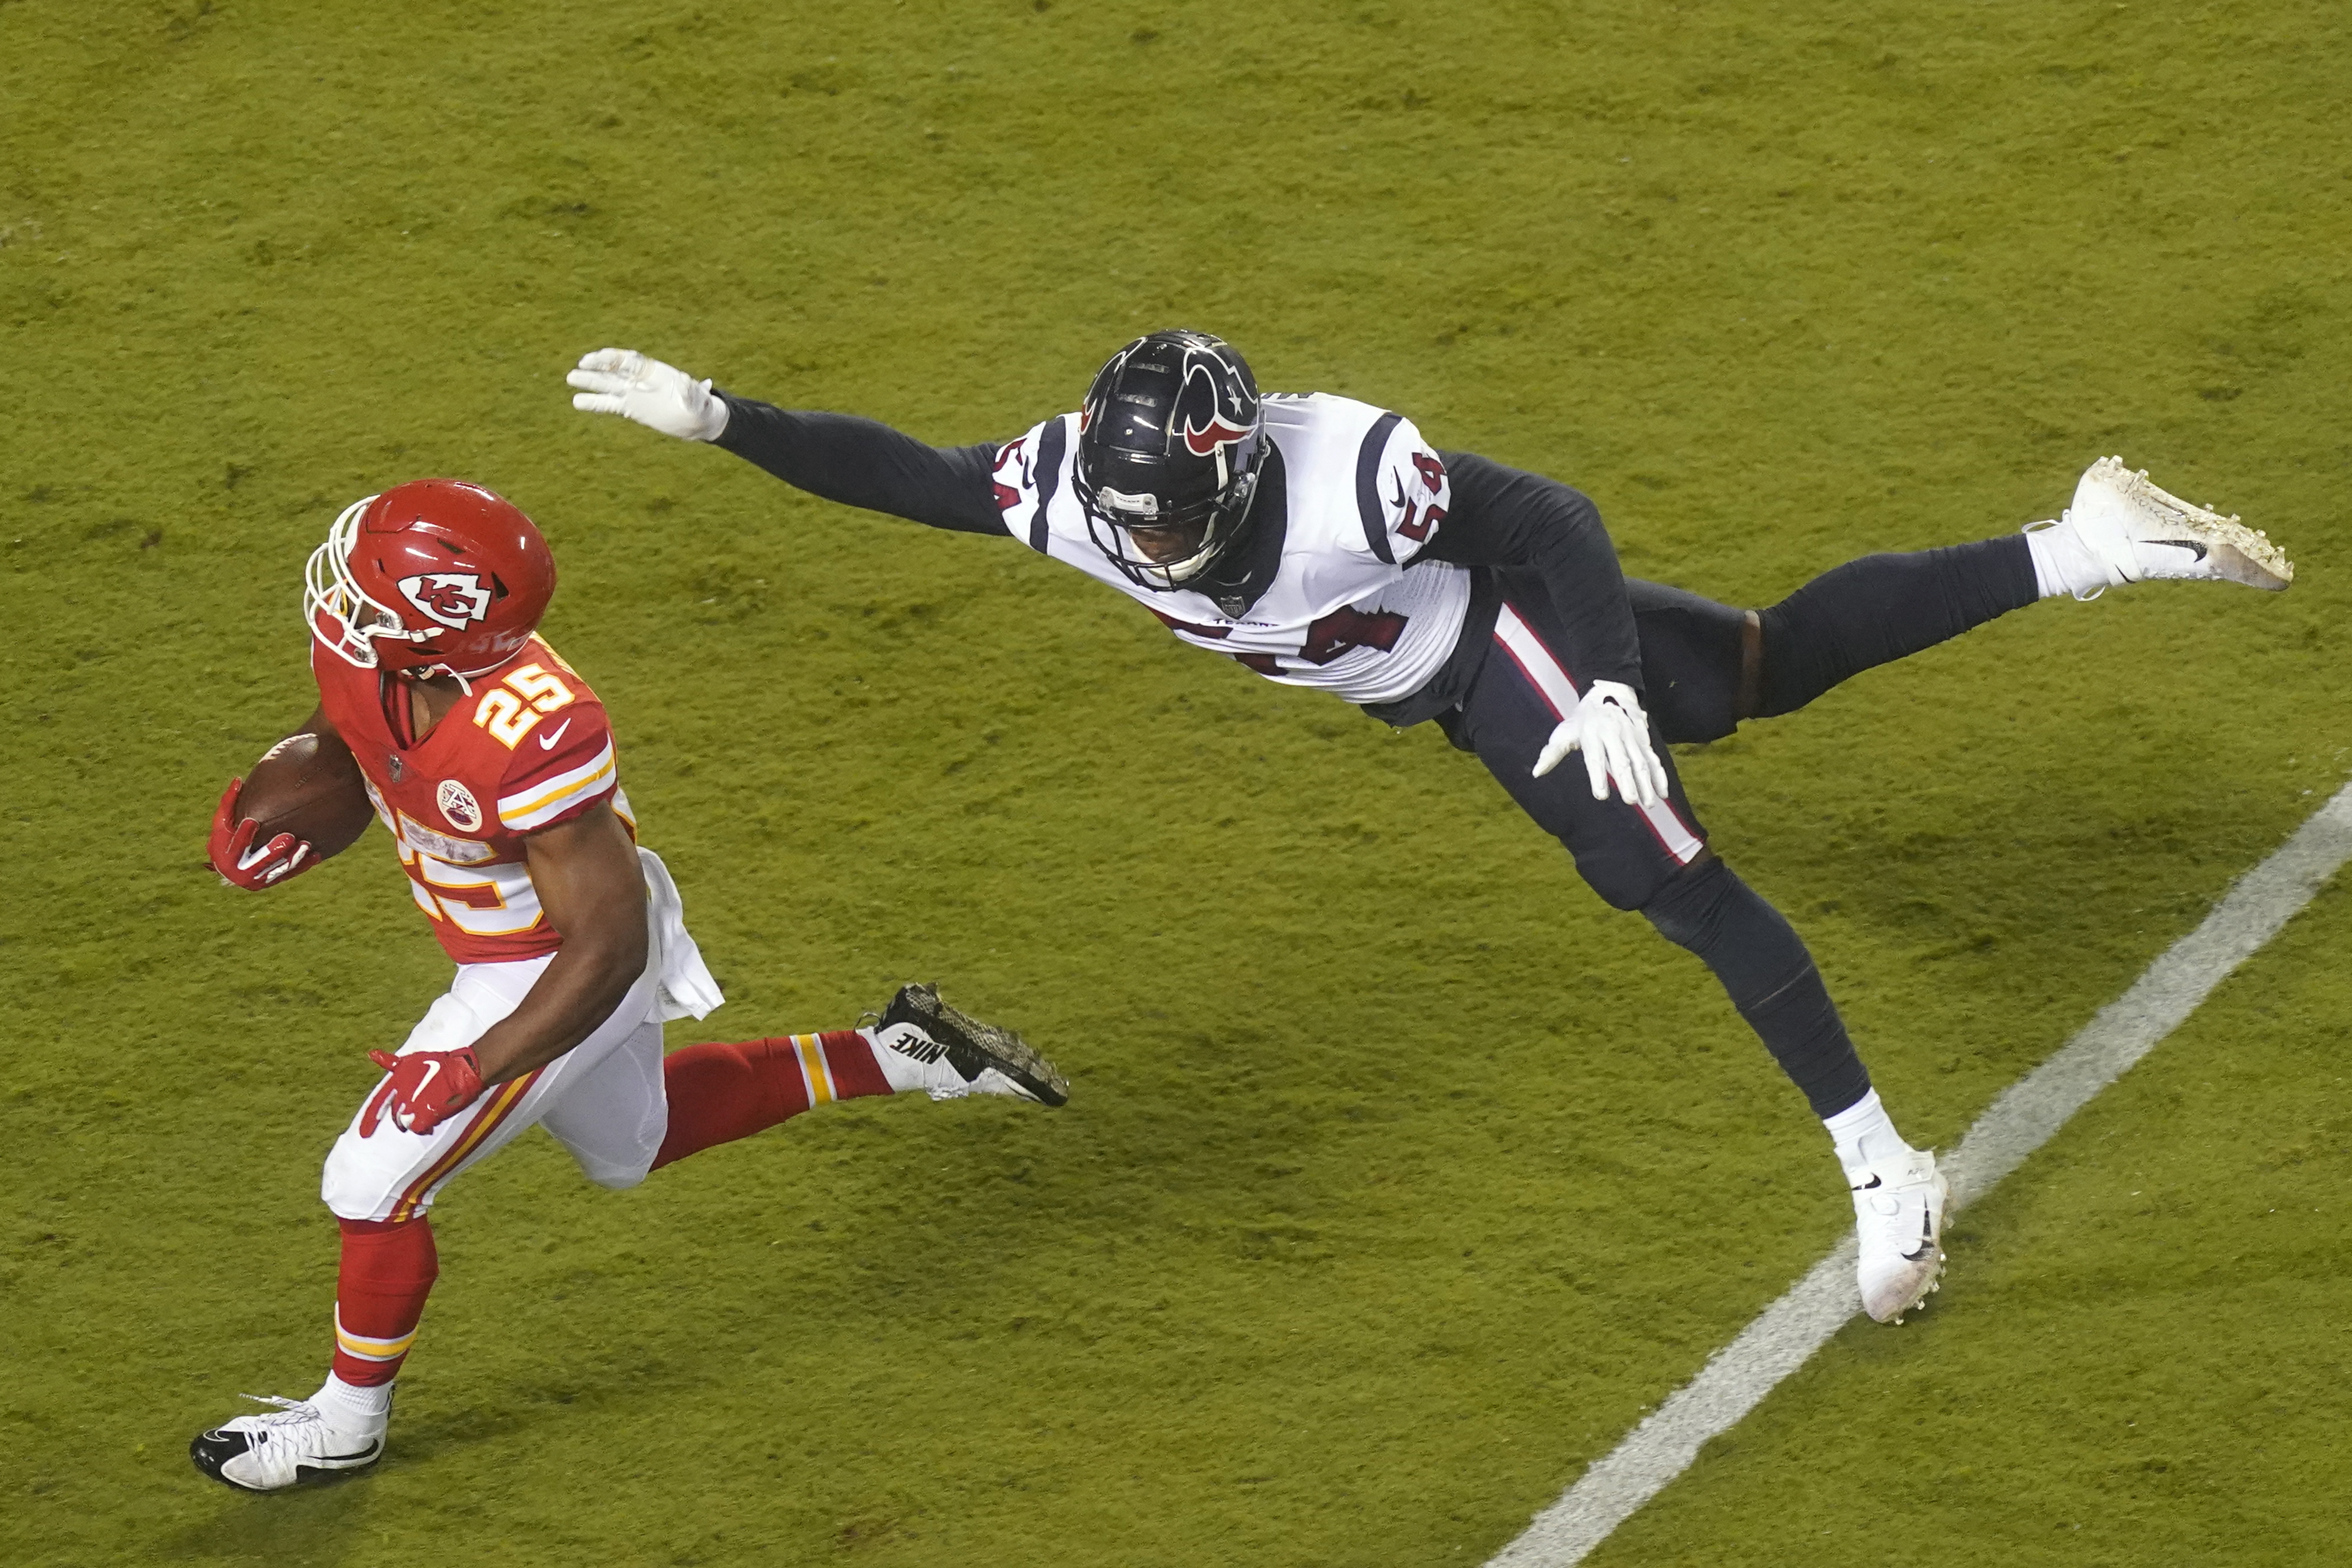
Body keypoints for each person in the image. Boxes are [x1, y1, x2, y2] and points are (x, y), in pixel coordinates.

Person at [566, 332, 2292, 1325]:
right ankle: (2081, 541)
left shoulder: (1349, 476)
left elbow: (1549, 518)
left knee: (1672, 879)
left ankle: (1879, 1160)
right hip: (1430, 675)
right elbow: (914, 478)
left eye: (1174, 528)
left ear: (1243, 477)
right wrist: (727, 422)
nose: (1147, 552)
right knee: (1761, 665)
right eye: (1134, 524)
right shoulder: (1075, 486)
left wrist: (1599, 687)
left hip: (1493, 652)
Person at [189, 479, 1069, 1493]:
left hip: (554, 966)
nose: (343, 598)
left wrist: (472, 1064)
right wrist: (286, 799)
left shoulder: (536, 731)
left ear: (438, 633)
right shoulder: (369, 648)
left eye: (371, 590)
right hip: (518, 946)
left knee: (370, 1180)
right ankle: (897, 1053)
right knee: (630, 1147)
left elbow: (604, 947)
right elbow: (352, 735)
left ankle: (346, 1424)